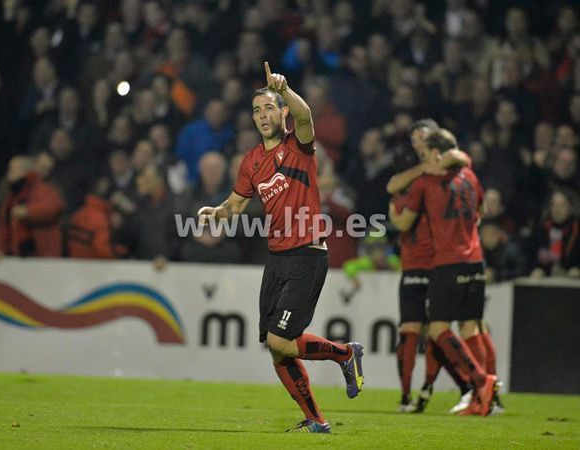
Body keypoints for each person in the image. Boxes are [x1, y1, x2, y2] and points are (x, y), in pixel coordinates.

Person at [197, 63, 364, 433]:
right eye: (256, 110)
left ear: (282, 112)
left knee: (280, 339)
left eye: (269, 107)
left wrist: (284, 88)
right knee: (277, 348)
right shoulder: (252, 161)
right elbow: (237, 205)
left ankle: (345, 354)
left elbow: (306, 115)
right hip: (277, 258)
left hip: (308, 252)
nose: (262, 115)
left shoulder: (299, 145)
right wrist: (217, 211)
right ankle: (317, 421)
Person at [390, 129, 499, 416]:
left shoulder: (426, 182)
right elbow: (480, 211)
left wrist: (395, 214)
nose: (423, 157)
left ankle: (479, 381)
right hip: (476, 261)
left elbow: (404, 223)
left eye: (426, 151)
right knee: (473, 327)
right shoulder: (471, 177)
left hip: (447, 263)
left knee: (438, 329)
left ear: (437, 154)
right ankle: (486, 397)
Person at [0, 156, 64, 262]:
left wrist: (28, 212)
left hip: (43, 258)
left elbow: (53, 208)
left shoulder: (42, 190)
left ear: (25, 171)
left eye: (12, 170)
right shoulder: (12, 196)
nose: (8, 174)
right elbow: (2, 227)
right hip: (19, 257)